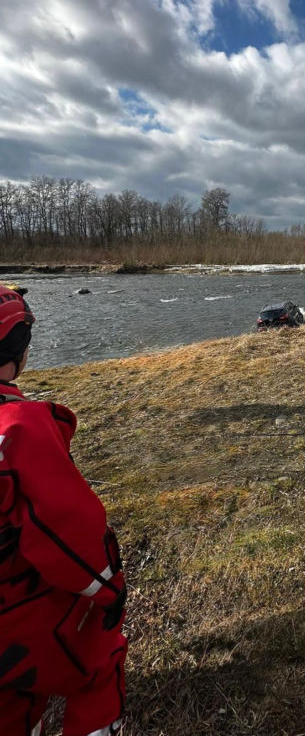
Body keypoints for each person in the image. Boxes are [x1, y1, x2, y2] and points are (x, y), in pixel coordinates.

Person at [0, 286, 127, 736]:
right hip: (14, 607)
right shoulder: (20, 426)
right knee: (100, 653)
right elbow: (68, 529)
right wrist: (109, 586)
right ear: (17, 352)